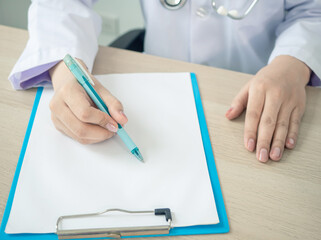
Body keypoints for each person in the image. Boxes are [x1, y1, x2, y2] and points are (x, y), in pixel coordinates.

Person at [8, 0, 321, 163]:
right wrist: (65, 70)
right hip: (159, 79)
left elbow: (313, 12)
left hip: (261, 87)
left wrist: (294, 63)